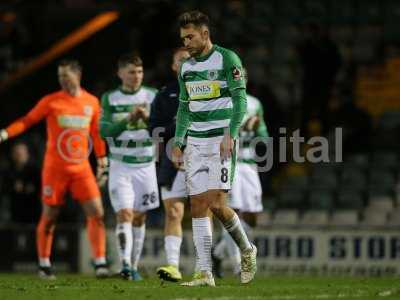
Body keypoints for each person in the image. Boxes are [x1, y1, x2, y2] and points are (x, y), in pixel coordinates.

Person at [0, 59, 109, 279]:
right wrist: (5, 133)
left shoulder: (92, 102)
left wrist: (102, 160)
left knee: (97, 212)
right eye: (59, 76)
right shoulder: (51, 101)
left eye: (65, 76)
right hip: (55, 169)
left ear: (77, 75)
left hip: (81, 169)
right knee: (50, 216)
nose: (62, 80)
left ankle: (100, 263)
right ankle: (44, 264)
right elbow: (27, 121)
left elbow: (96, 135)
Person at [172, 11, 257, 287]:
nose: (186, 42)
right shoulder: (186, 67)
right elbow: (184, 107)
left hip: (220, 140)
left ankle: (247, 249)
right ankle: (205, 273)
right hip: (195, 142)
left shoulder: (227, 58)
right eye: (183, 37)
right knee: (199, 204)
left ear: (205, 34)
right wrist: (178, 140)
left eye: (190, 36)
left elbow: (240, 100)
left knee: (216, 202)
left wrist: (230, 134)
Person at [100, 53, 160, 281]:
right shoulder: (110, 98)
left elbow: (161, 130)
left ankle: (133, 266)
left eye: (139, 72)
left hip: (146, 165)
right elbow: (104, 132)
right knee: (124, 213)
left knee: (140, 218)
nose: (136, 76)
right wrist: (128, 119)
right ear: (120, 73)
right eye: (131, 72)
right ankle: (125, 265)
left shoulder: (152, 96)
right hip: (120, 165)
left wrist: (145, 119)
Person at [150, 47, 202, 282]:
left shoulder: (206, 92)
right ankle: (173, 265)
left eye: (189, 60)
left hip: (202, 158)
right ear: (173, 66)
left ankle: (204, 267)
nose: (185, 63)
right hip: (172, 159)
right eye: (180, 60)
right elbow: (153, 128)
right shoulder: (164, 95)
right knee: (173, 212)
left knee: (203, 213)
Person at [213, 89, 269, 277]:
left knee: (252, 217)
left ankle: (218, 251)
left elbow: (264, 137)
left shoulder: (255, 103)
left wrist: (257, 128)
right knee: (232, 212)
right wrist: (244, 126)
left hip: (249, 164)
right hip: (228, 162)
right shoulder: (220, 103)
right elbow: (219, 134)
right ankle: (238, 265)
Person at [2, 141, 41, 224]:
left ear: (27, 154)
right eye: (17, 153)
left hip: (33, 211)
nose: (19, 156)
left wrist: (32, 188)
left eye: (21, 153)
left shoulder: (35, 170)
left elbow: (41, 187)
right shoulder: (8, 171)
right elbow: (4, 188)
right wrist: (13, 187)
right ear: (12, 154)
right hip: (14, 211)